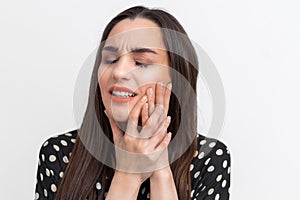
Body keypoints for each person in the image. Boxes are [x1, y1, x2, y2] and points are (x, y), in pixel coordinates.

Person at [34, 5, 231, 200]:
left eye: (141, 62)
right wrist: (128, 174)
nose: (119, 72)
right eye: (110, 59)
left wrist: (160, 170)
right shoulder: (59, 153)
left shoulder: (208, 158)